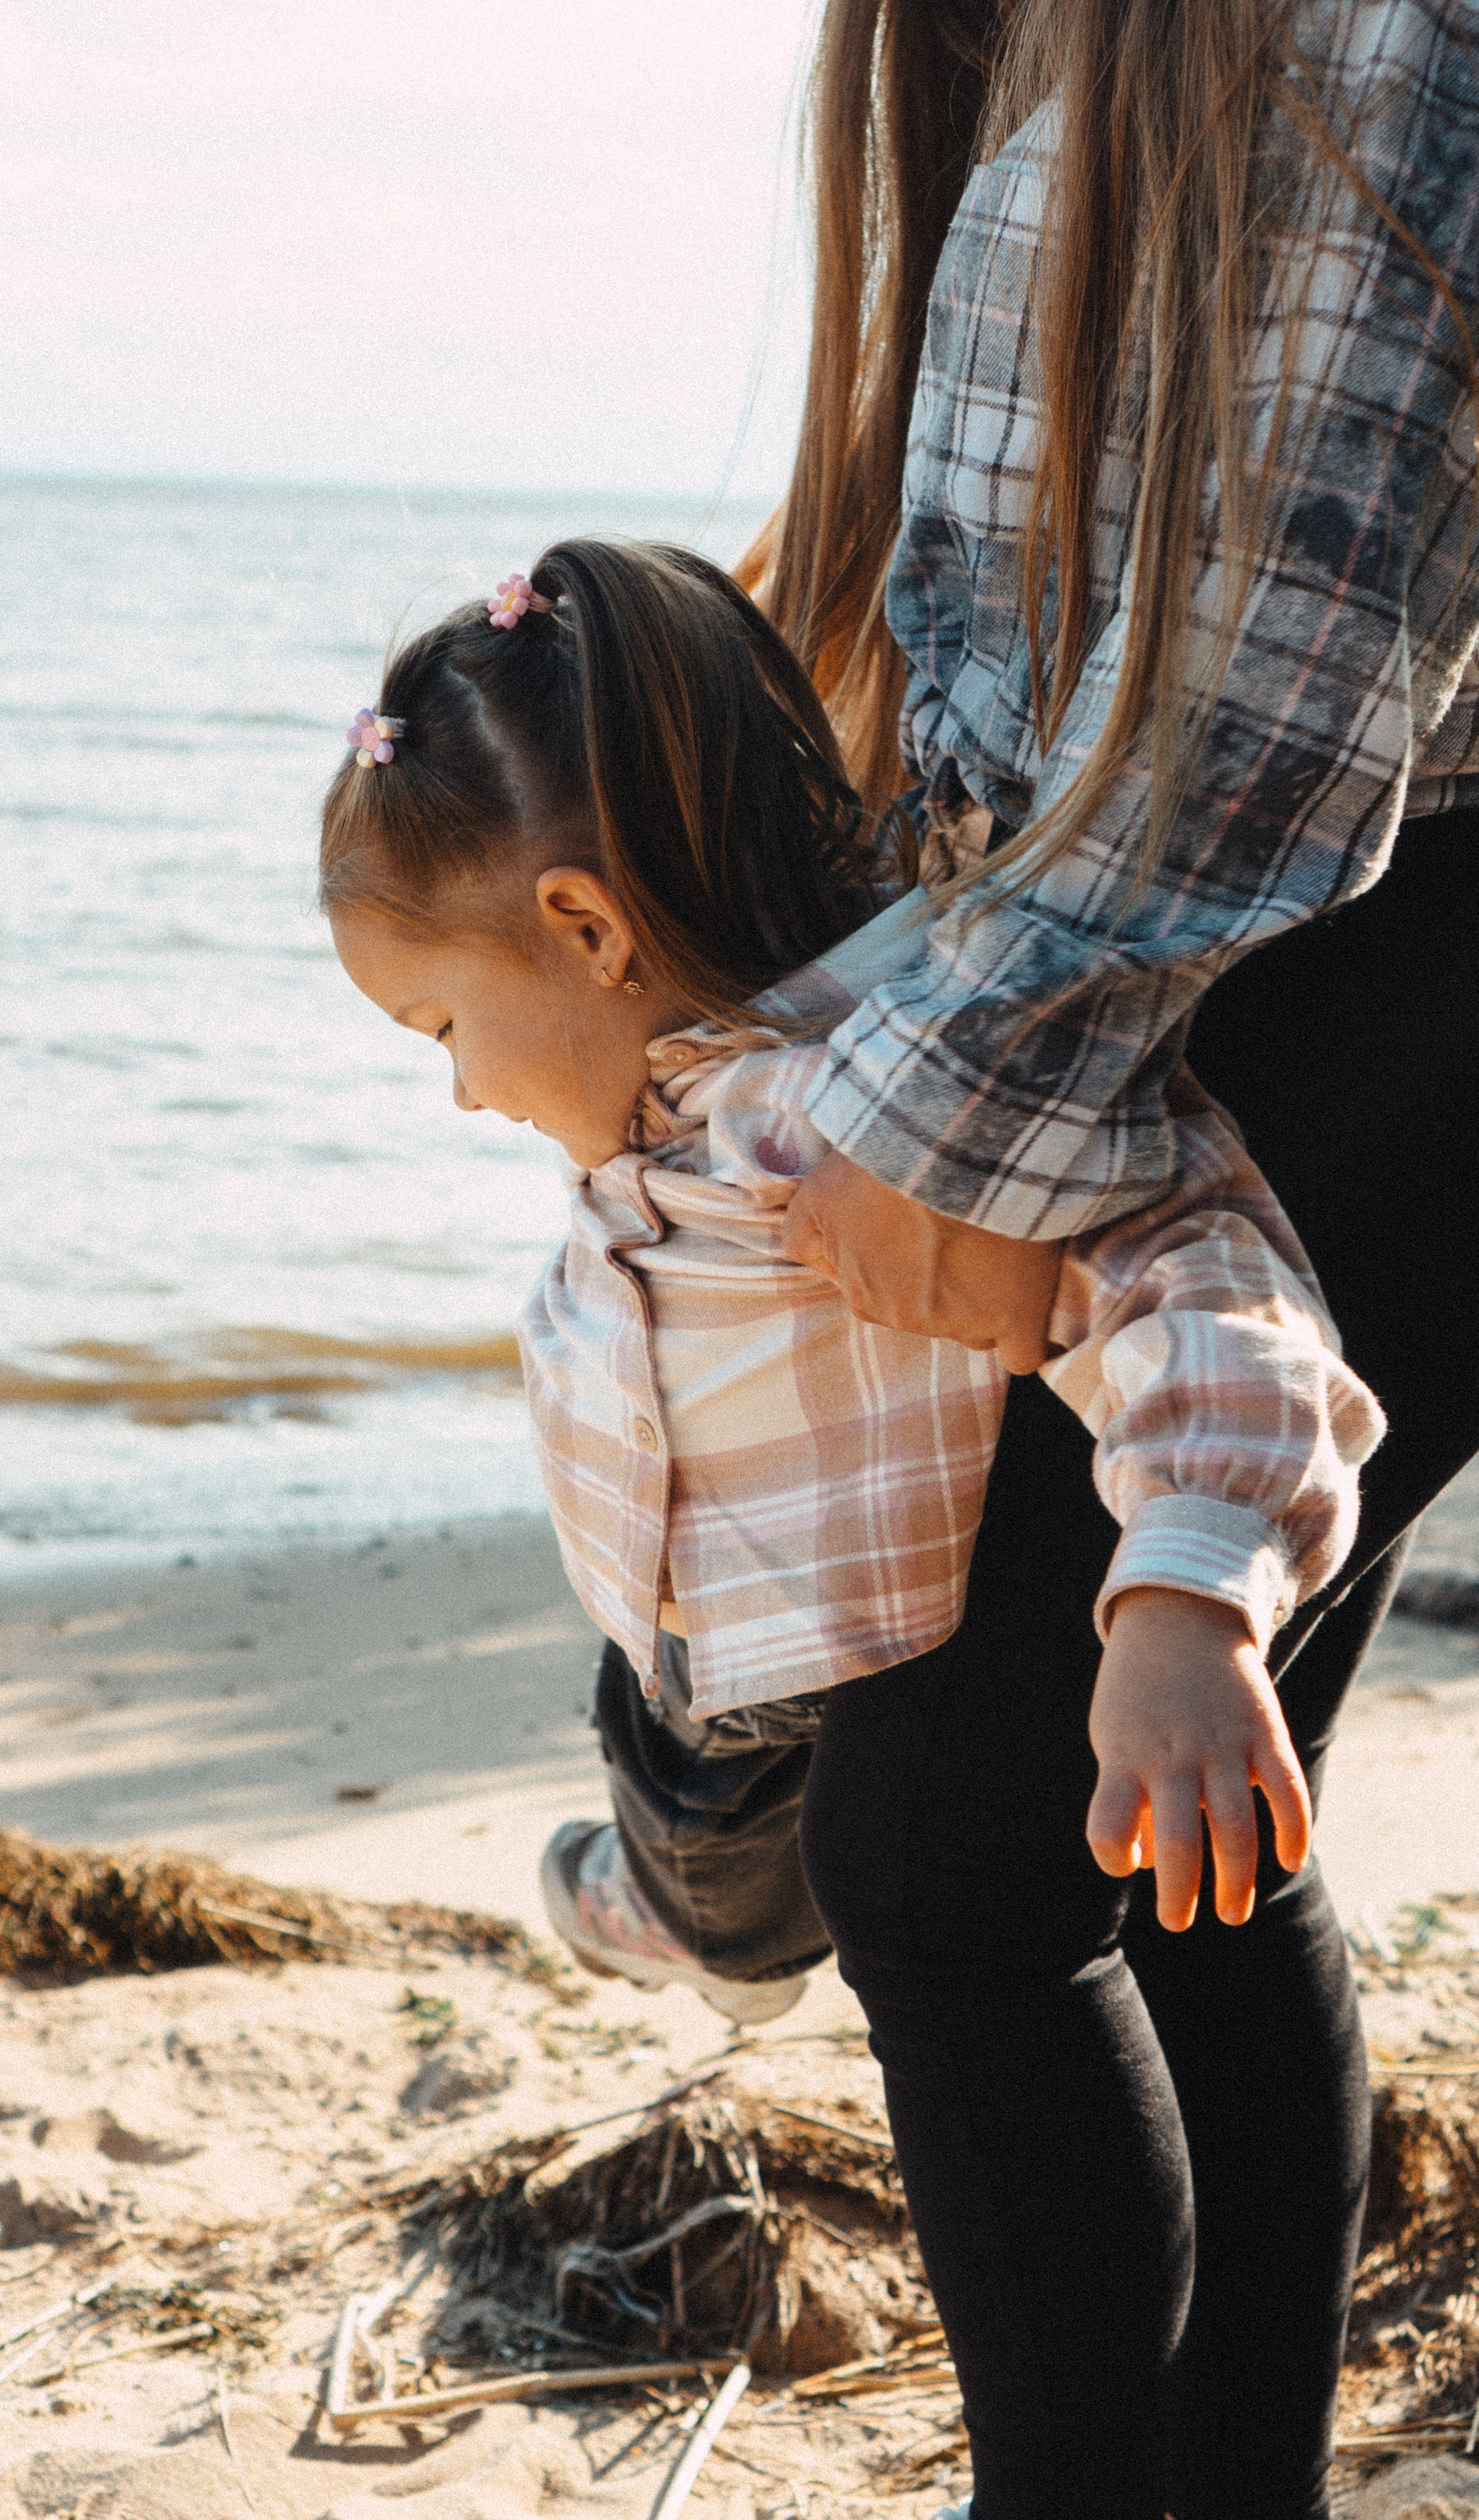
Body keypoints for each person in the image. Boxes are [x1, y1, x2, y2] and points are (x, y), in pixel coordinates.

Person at [555, 4, 1479, 2517]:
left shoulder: (1417, 26)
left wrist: (939, 1117)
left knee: (952, 1873)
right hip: (1204, 987)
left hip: (1371, 1018)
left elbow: (1272, 705)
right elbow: (1027, 648)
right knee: (1171, 1860)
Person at [320, 536, 1381, 2031]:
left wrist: (1190, 1591)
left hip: (793, 1683)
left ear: (588, 929)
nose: (461, 1091)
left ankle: (679, 1918)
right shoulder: (665, 1072)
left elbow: (1206, 1291)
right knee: (647, 1745)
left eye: (441, 1028)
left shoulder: (860, 1113)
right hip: (674, 1624)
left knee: (717, 1880)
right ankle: (655, 1878)